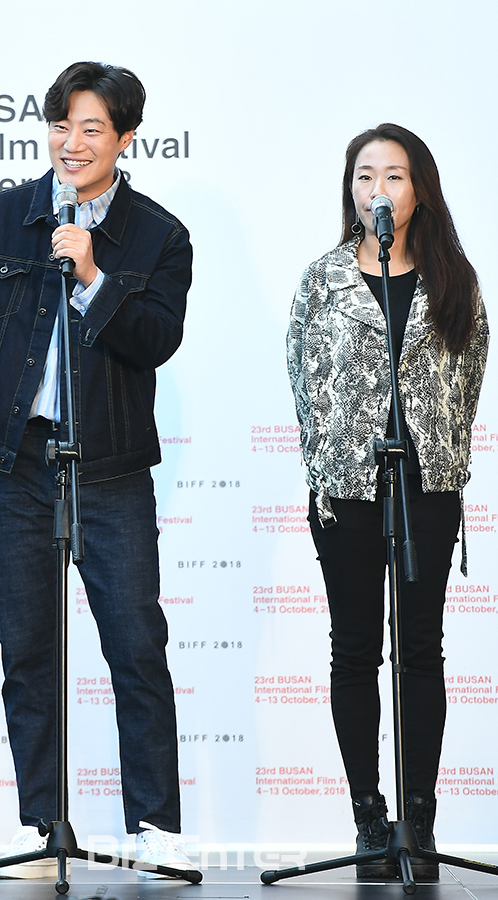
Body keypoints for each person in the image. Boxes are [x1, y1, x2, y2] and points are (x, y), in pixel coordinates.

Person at [0, 61, 193, 879]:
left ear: (126, 138)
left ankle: (155, 828)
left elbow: (156, 342)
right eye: (61, 125)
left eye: (91, 128)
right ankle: (43, 828)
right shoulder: (0, 219)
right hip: (14, 467)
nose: (71, 143)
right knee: (28, 654)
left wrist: (94, 277)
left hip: (110, 471)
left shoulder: (159, 235)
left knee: (137, 647)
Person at [286, 124, 488, 880]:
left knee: (421, 649)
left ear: (419, 190)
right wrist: (327, 458)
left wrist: (442, 452)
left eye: (394, 176)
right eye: (365, 175)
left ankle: (419, 816)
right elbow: (302, 376)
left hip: (427, 488)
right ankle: (369, 815)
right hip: (346, 490)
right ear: (352, 191)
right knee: (354, 650)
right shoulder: (323, 279)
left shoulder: (452, 278)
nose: (378, 189)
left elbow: (469, 376)